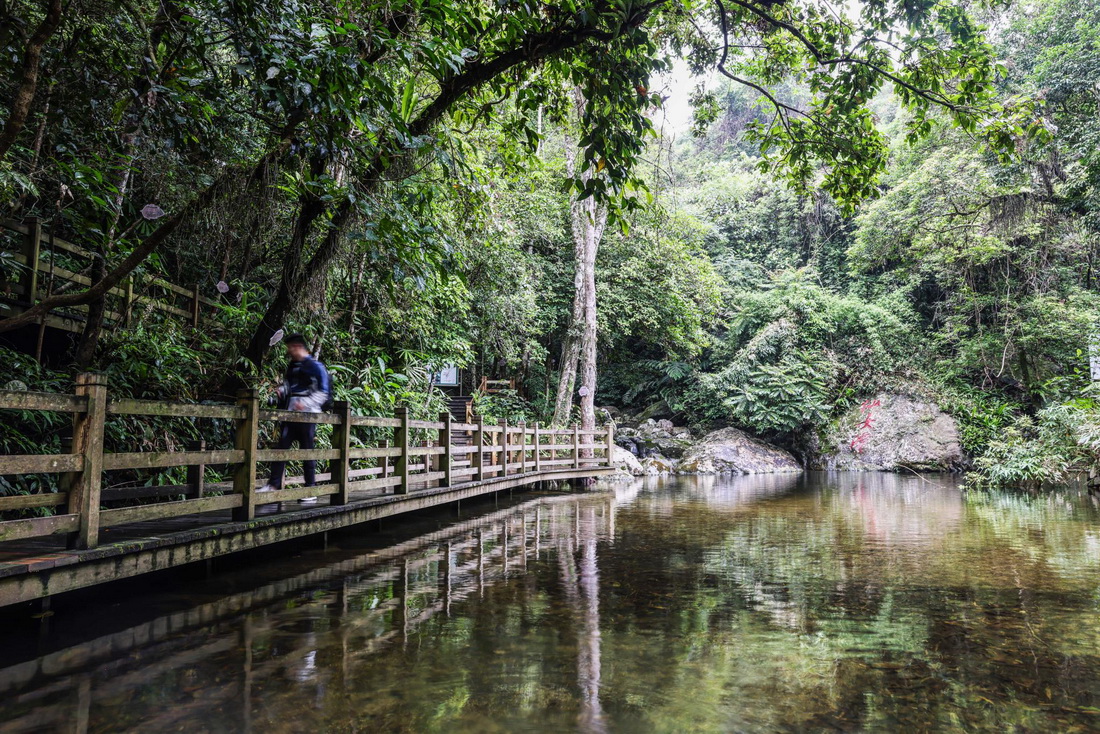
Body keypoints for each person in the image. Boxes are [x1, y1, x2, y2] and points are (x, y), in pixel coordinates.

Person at [260, 334, 331, 503]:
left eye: (291, 347)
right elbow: (289, 387)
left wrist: (305, 403)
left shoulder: (315, 366)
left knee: (307, 451)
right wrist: (281, 391)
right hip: (290, 414)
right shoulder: (292, 366)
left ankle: (310, 489)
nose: (289, 351)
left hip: (308, 415)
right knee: (281, 449)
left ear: (299, 346)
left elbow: (323, 392)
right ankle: (273, 485)